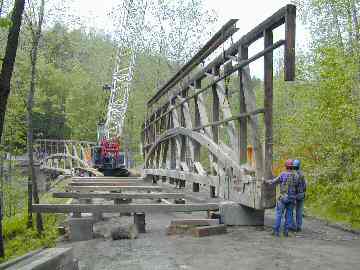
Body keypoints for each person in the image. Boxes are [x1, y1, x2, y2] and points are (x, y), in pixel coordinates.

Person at [266, 159, 298, 237]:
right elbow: (296, 186)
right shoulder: (296, 176)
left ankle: (276, 231)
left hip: (283, 198)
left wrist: (265, 181)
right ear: (292, 167)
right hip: (292, 198)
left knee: (279, 215)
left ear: (286, 166)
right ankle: (286, 232)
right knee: (289, 216)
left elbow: (273, 182)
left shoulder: (283, 174)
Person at [292, 159, 306, 232]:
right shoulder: (302, 174)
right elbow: (305, 185)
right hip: (301, 194)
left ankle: (293, 226)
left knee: (291, 210)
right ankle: (299, 226)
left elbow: (293, 185)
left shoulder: (293, 174)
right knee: (299, 211)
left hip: (295, 195)